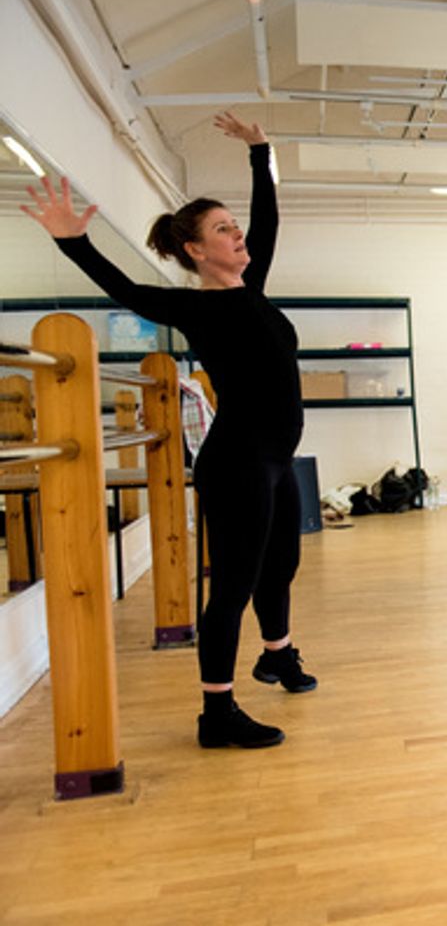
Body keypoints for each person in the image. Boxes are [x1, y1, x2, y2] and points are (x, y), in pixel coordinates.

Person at [22, 112, 314, 749]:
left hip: (274, 458)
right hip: (238, 463)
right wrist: (73, 242)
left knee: (281, 565)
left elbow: (268, 221)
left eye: (235, 225)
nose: (238, 234)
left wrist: (260, 150)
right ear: (196, 251)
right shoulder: (196, 307)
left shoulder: (251, 288)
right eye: (222, 229)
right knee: (232, 586)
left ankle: (278, 655)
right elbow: (125, 288)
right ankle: (217, 713)